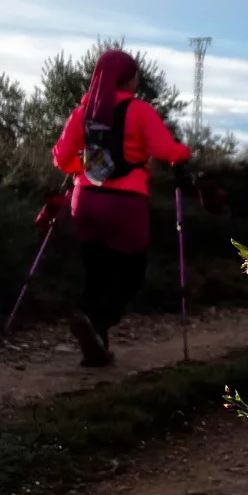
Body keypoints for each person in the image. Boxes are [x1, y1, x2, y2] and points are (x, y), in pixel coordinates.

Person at [51, 49, 191, 367]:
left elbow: (61, 157)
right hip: (125, 205)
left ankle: (96, 342)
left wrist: (82, 168)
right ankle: (95, 319)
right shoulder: (139, 111)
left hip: (84, 201)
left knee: (96, 271)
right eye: (135, 74)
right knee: (131, 275)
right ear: (128, 78)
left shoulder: (83, 113)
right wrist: (184, 152)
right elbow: (165, 150)